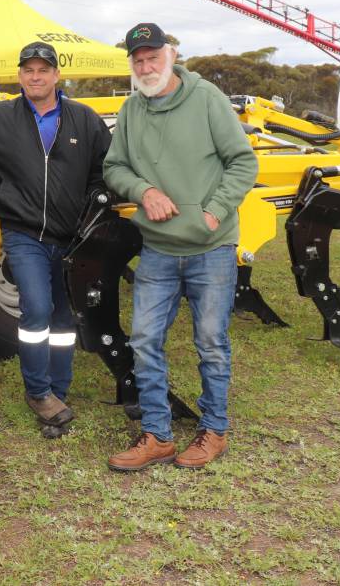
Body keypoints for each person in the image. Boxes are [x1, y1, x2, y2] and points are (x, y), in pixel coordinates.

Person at [102, 23, 258, 471]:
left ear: (170, 55)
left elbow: (242, 161)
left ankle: (214, 430)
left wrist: (214, 209)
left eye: (153, 57)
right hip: (158, 249)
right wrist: (144, 190)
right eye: (138, 60)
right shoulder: (131, 110)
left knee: (211, 341)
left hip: (211, 246)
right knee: (145, 340)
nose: (146, 66)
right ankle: (158, 435)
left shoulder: (207, 98)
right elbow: (114, 167)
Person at [0, 41, 111, 438]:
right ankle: (38, 390)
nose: (36, 77)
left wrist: (93, 201)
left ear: (57, 75)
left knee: (63, 318)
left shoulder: (84, 119)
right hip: (23, 233)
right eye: (28, 70)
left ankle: (59, 390)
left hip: (73, 236)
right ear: (20, 75)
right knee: (37, 310)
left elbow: (104, 168)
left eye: (43, 70)